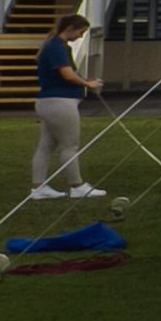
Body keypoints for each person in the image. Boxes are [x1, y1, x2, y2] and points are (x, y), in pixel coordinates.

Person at [32, 14, 105, 201]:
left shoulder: (57, 46)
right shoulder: (56, 46)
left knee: (46, 145)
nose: (81, 36)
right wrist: (88, 84)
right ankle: (77, 186)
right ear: (70, 28)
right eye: (81, 32)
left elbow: (69, 73)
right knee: (70, 145)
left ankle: (39, 187)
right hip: (59, 102)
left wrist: (84, 81)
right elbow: (67, 74)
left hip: (49, 102)